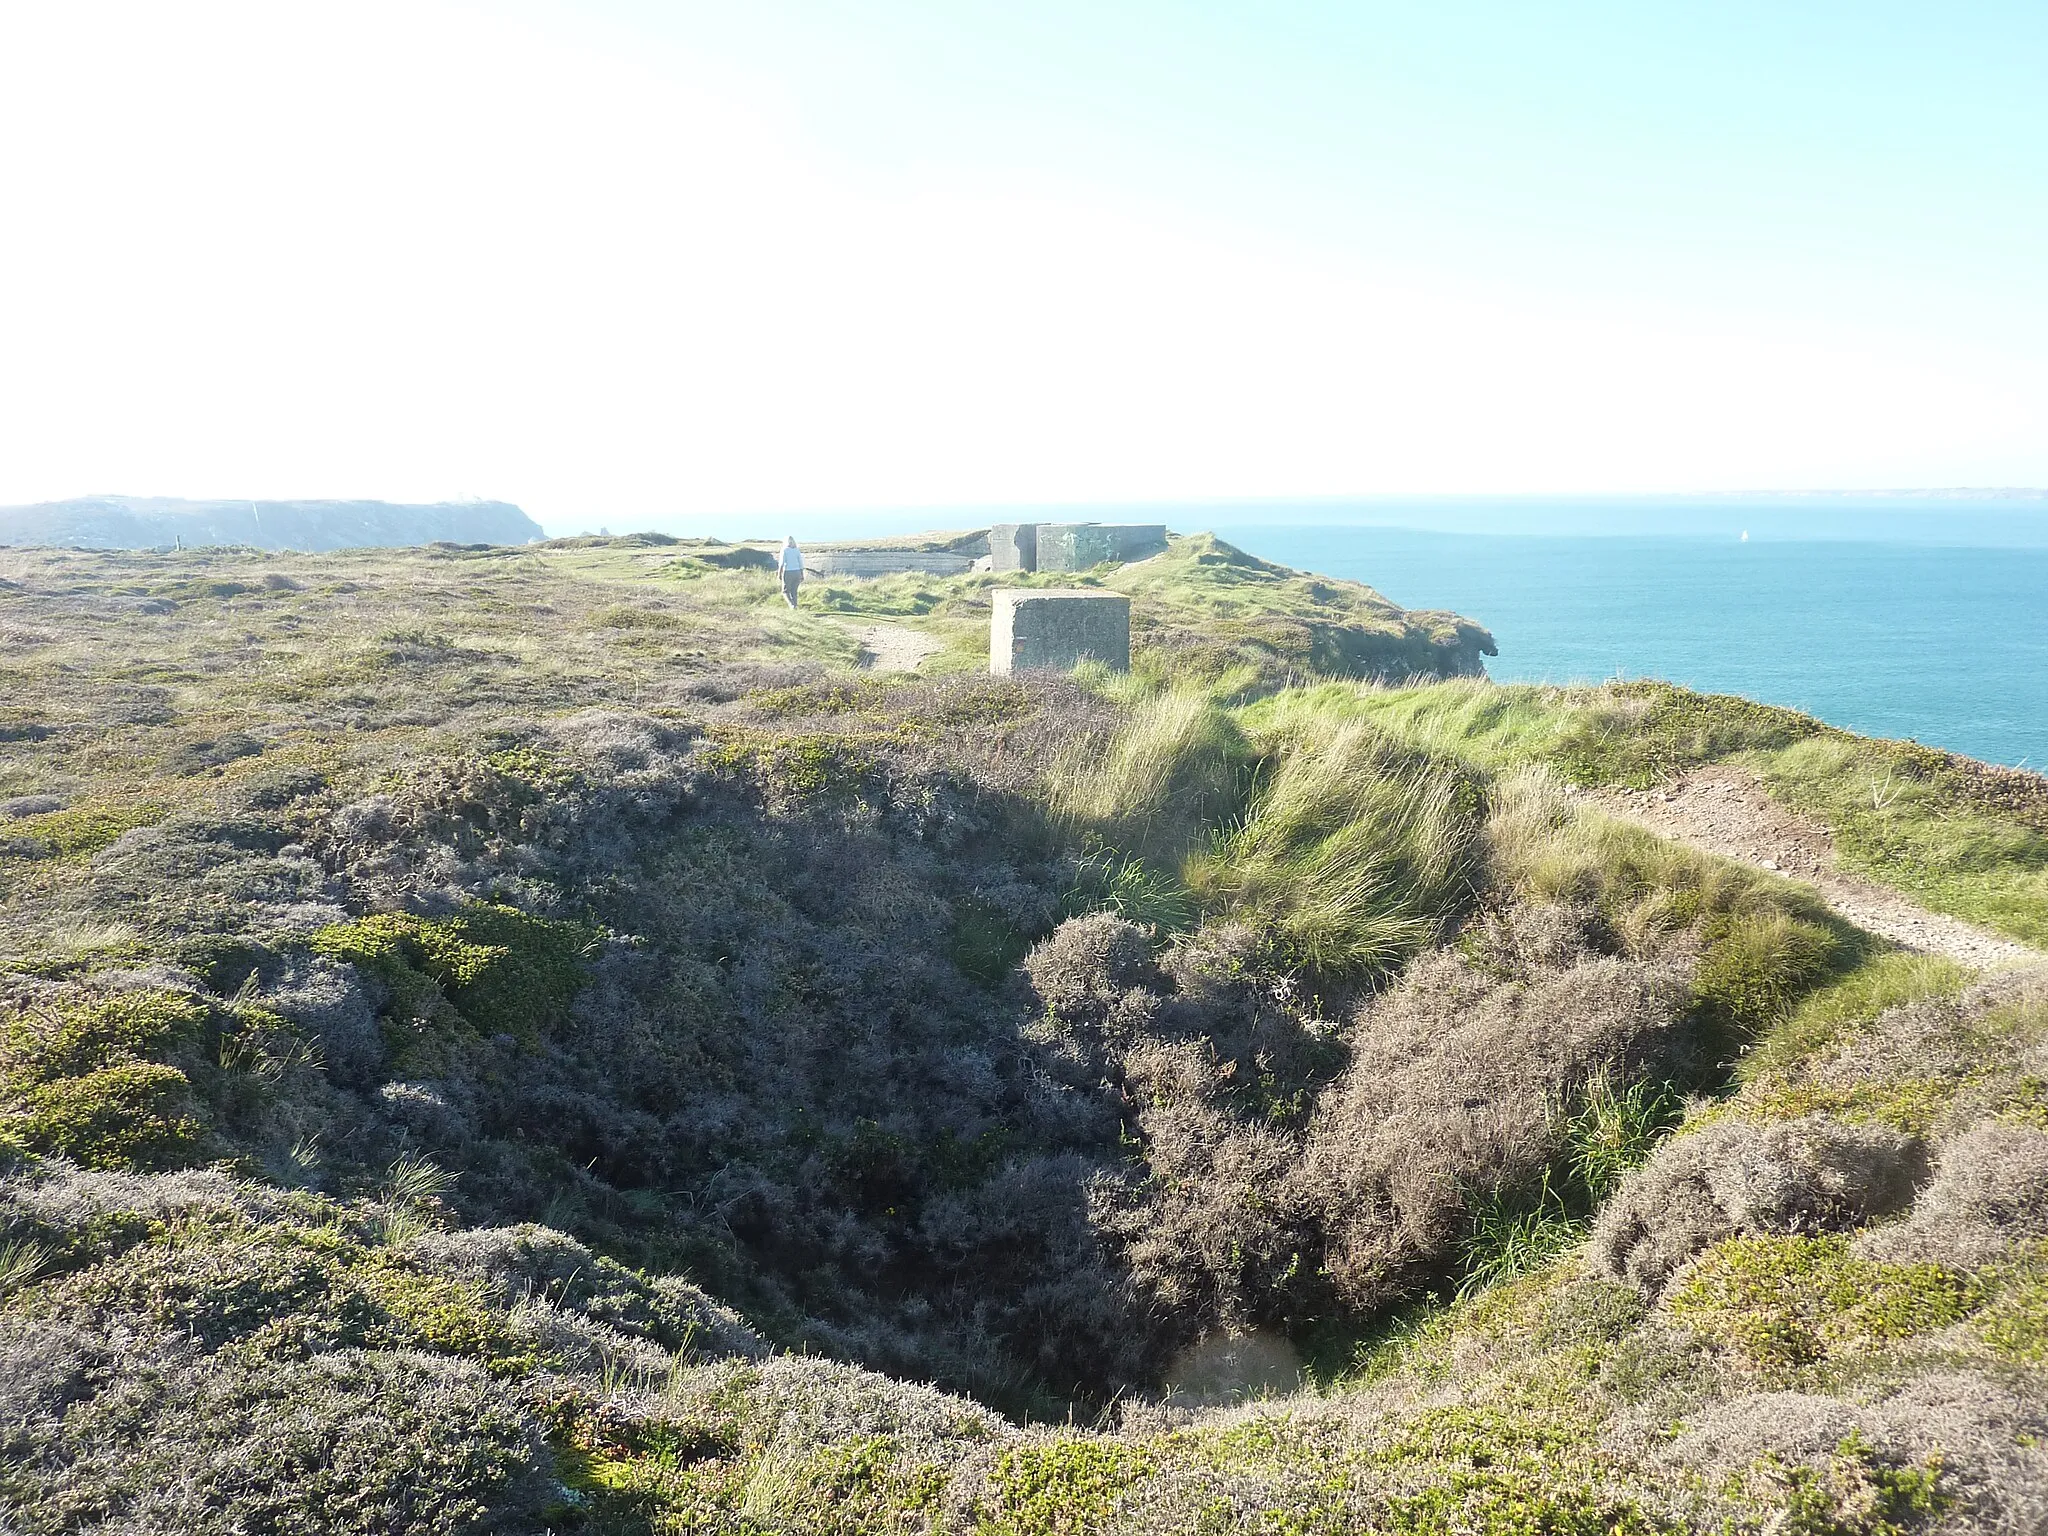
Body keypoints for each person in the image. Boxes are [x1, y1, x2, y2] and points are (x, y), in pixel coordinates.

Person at [776, 536, 804, 607]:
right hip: (797, 572)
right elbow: (800, 563)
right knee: (794, 591)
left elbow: (782, 563)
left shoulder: (785, 550)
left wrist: (779, 573)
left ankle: (791, 605)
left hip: (788, 572)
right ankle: (795, 605)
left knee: (785, 591)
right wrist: (802, 574)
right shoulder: (797, 550)